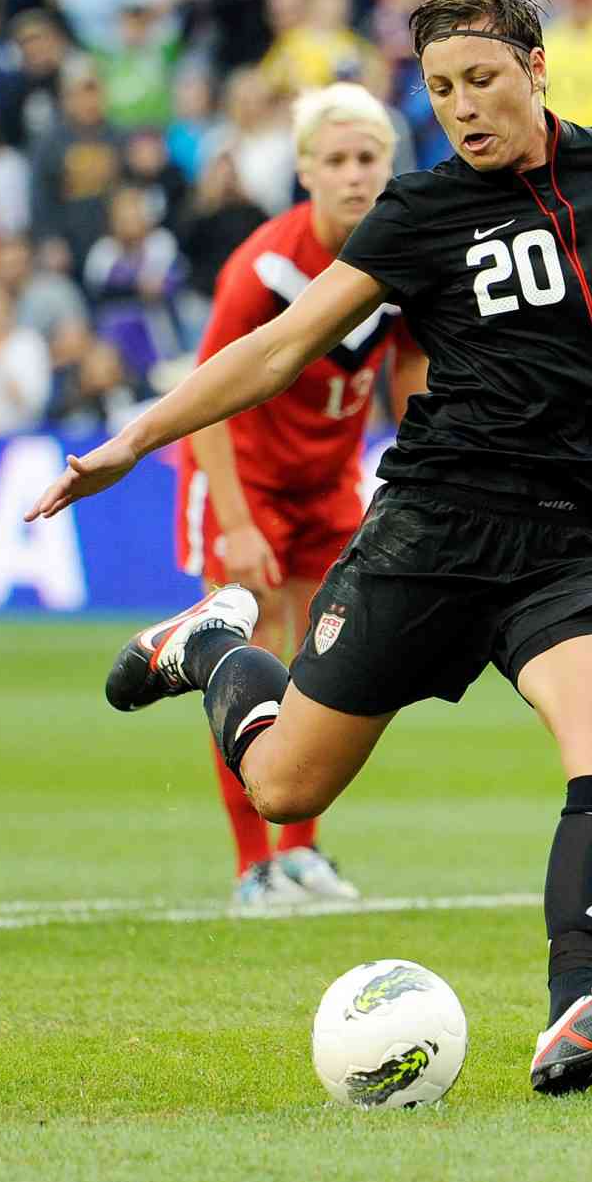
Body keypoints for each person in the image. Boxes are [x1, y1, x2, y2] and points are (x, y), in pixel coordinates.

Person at [28, 0, 592, 1093]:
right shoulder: (418, 213)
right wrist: (135, 438)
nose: (461, 106)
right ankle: (209, 647)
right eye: (441, 88)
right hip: (433, 534)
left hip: (578, 537)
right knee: (287, 790)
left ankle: (576, 1007)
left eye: (482, 80)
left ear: (537, 70)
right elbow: (276, 348)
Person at [174, 84, 427, 913]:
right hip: (242, 477)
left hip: (328, 482)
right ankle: (254, 867)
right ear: (305, 172)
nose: (357, 176)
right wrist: (238, 521)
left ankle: (303, 851)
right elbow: (206, 393)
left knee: (330, 661)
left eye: (370, 159)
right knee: (258, 658)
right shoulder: (265, 268)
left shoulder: (397, 256)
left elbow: (412, 372)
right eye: (338, 161)